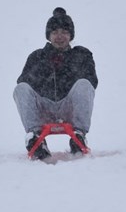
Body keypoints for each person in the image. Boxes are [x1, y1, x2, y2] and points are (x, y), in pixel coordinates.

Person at [14, 8, 98, 159]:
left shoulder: (81, 55)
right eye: (55, 32)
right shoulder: (37, 57)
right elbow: (24, 82)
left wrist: (68, 68)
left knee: (84, 84)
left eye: (64, 32)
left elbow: (92, 81)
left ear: (70, 35)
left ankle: (78, 136)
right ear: (49, 36)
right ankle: (35, 137)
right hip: (44, 108)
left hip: (69, 107)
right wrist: (43, 74)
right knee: (20, 89)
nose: (60, 36)